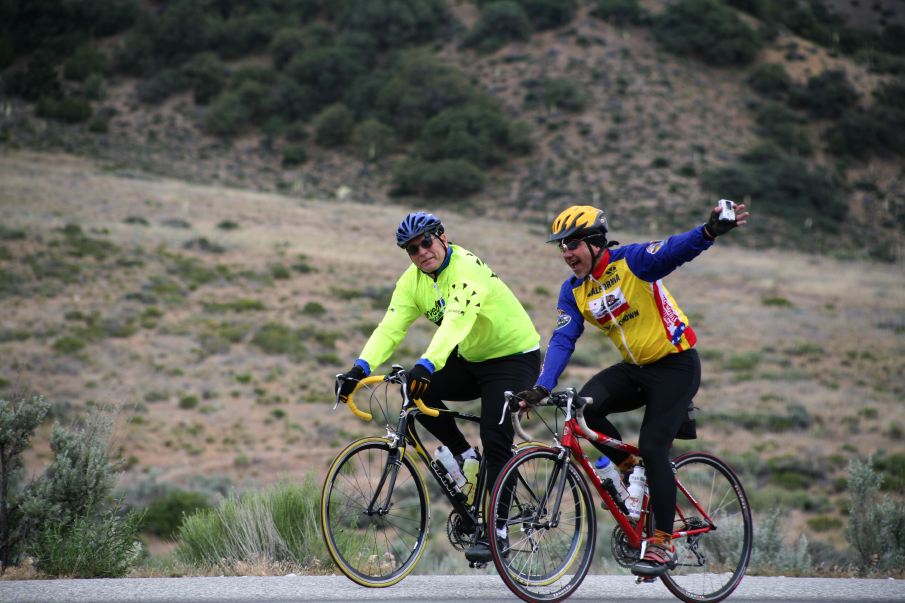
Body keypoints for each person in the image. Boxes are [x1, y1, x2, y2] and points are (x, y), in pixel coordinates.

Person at [516, 201, 749, 577]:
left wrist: (708, 232)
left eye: (572, 244)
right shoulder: (573, 290)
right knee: (586, 407)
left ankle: (661, 541)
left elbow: (674, 250)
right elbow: (563, 339)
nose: (565, 253)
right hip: (636, 368)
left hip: (676, 365)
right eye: (560, 246)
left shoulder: (633, 262)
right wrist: (541, 388)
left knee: (654, 446)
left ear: (595, 242)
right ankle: (629, 469)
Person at [335, 210, 541, 562]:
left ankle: (500, 531)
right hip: (471, 358)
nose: (421, 252)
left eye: (426, 242)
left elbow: (456, 323)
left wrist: (427, 364)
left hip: (513, 358)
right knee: (413, 391)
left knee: (495, 440)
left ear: (442, 236)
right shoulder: (412, 281)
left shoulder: (467, 270)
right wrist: (359, 368)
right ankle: (464, 458)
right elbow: (390, 327)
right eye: (412, 249)